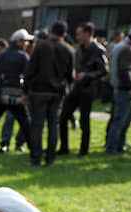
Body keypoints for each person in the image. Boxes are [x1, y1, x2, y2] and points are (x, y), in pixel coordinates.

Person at [23, 21, 74, 166]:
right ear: (64, 34)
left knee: (37, 126)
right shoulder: (69, 49)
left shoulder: (41, 46)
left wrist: (25, 91)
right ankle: (50, 158)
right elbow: (70, 75)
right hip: (57, 92)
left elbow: (30, 70)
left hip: (39, 91)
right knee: (53, 126)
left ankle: (36, 157)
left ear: (50, 30)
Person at [0, 30, 33, 157]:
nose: (27, 44)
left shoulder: (1, 56)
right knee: (25, 123)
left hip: (0, 91)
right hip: (16, 93)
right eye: (25, 41)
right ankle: (33, 149)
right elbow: (28, 76)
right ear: (19, 41)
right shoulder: (23, 56)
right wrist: (26, 93)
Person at [58, 22, 108, 158]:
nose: (77, 37)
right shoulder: (78, 49)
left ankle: (83, 150)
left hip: (88, 89)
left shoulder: (98, 49)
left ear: (88, 34)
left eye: (79, 34)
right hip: (76, 88)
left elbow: (104, 70)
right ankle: (64, 147)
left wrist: (87, 75)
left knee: (84, 121)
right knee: (63, 117)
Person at [105, 25, 131, 154]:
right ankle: (111, 147)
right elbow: (125, 70)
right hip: (125, 90)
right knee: (119, 120)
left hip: (130, 90)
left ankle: (119, 144)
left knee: (126, 121)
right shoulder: (126, 50)